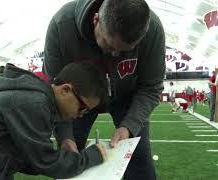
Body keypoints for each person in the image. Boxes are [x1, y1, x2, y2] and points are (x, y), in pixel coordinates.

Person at [43, 0, 165, 179]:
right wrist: (64, 136)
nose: (115, 55)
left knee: (139, 157)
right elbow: (54, 90)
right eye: (109, 45)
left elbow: (151, 86)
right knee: (69, 156)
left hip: (128, 96)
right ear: (95, 20)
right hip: (79, 99)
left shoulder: (152, 30)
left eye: (125, 51)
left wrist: (129, 126)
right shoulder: (61, 26)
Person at [0, 62, 107, 180]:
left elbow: (30, 159)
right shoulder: (35, 104)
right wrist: (91, 156)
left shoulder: (40, 102)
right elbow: (45, 161)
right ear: (65, 90)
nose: (82, 115)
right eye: (83, 107)